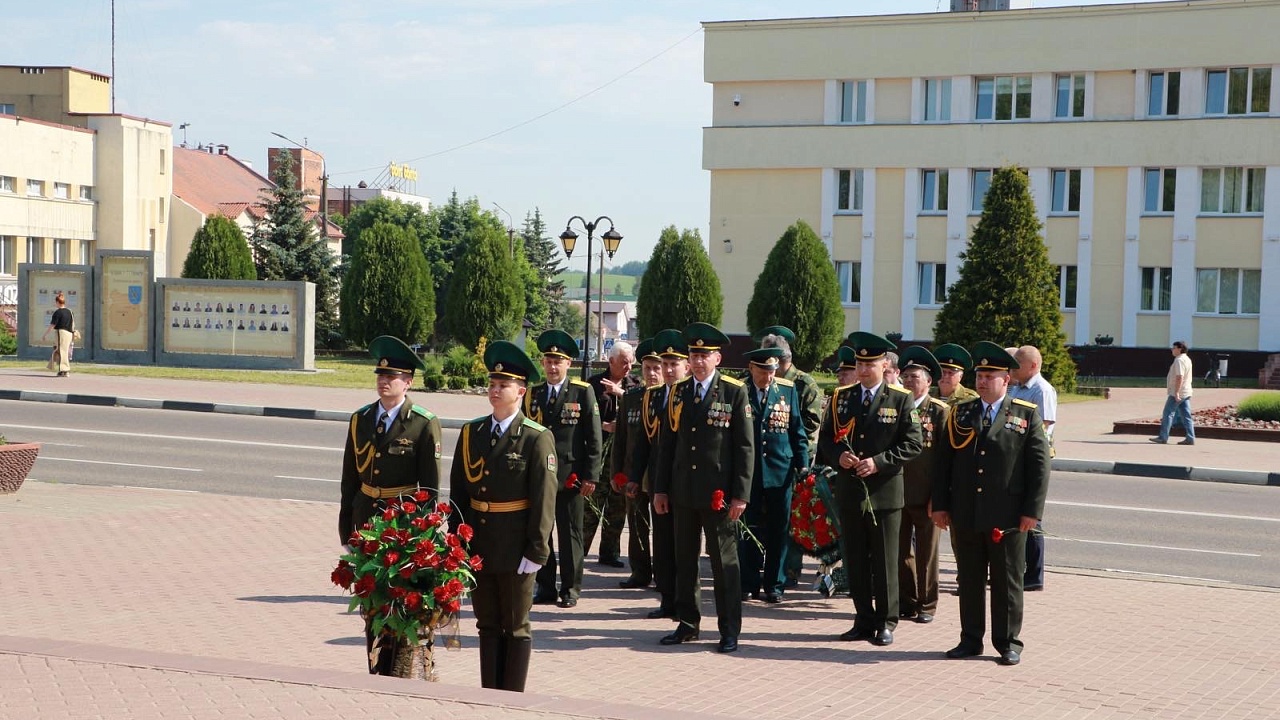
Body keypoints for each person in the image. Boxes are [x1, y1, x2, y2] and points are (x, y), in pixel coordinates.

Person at [932, 342, 1050, 666]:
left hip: (1008, 516)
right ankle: (970, 639)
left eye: (990, 376)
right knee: (968, 579)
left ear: (1006, 380)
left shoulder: (1025, 415)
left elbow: (1039, 468)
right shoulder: (961, 413)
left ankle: (1008, 642)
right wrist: (940, 505)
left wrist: (1031, 513)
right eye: (980, 375)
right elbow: (943, 464)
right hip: (966, 513)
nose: (982, 381)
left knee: (1007, 581)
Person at [449, 341, 557, 693]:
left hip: (516, 547)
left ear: (521, 391)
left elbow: (544, 499)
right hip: (479, 542)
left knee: (516, 624)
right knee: (487, 623)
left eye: (503, 385)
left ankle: (511, 700)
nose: (495, 391)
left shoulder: (535, 438)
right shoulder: (472, 433)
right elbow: (459, 494)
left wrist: (536, 550)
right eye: (492, 384)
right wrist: (456, 542)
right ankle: (488, 694)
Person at [338, 335, 443, 675]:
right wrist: (346, 528)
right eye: (381, 376)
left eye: (393, 377)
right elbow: (349, 479)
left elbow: (428, 489)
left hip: (402, 526)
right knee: (371, 598)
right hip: (367, 519)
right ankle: (375, 665)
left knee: (401, 600)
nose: (384, 382)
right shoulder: (361, 419)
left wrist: (421, 538)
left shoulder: (423, 423)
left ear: (408, 382)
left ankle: (398, 668)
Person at [652, 322, 754, 653]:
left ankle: (729, 629)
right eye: (694, 355)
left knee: (725, 564)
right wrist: (660, 489)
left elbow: (744, 448)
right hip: (683, 491)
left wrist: (740, 494)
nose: (697, 361)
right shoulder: (678, 391)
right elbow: (667, 444)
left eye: (704, 355)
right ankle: (687, 623)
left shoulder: (734, 391)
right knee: (685, 560)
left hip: (718, 495)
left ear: (718, 358)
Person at [818, 332, 922, 647]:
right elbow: (825, 440)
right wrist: (840, 457)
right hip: (850, 492)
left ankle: (885, 622)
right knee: (857, 561)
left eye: (870, 364)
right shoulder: (842, 397)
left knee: (885, 561)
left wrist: (879, 462)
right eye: (860, 363)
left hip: (885, 494)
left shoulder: (900, 398)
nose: (863, 370)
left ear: (884, 364)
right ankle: (862, 619)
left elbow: (913, 443)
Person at [525, 330, 602, 608]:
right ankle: (545, 587)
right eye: (548, 360)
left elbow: (594, 437)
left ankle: (570, 589)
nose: (553, 366)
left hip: (571, 476)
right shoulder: (533, 394)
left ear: (568, 363)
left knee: (570, 536)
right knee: (541, 533)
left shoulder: (582, 392)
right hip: (540, 478)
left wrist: (591, 475)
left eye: (559, 361)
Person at [739, 346, 808, 603]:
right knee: (749, 528)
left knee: (779, 530)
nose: (767, 376)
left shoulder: (787, 391)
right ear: (751, 368)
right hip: (750, 472)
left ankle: (774, 584)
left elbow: (797, 430)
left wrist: (803, 464)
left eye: (771, 371)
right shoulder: (740, 391)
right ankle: (749, 582)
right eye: (762, 371)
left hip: (781, 470)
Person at [630, 329, 690, 619]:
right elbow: (642, 442)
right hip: (658, 480)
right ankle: (667, 600)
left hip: (687, 481)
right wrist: (633, 477)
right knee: (662, 543)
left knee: (685, 547)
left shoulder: (692, 393)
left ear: (685, 366)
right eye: (664, 364)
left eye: (673, 364)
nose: (667, 370)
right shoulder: (652, 397)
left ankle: (685, 603)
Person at [757, 326, 822, 590]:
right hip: (766, 463)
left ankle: (789, 572)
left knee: (790, 521)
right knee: (764, 521)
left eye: (772, 362)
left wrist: (798, 459)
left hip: (792, 462)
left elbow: (809, 424)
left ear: (783, 361)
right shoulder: (760, 381)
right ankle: (765, 569)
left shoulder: (803, 383)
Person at [896, 346, 949, 624]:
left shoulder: (939, 412)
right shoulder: (895, 406)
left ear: (928, 382)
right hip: (897, 493)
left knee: (927, 554)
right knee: (900, 551)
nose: (908, 382)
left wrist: (939, 498)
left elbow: (945, 460)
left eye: (914, 377)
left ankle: (927, 604)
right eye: (905, 377)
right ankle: (906, 601)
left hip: (927, 495)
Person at [612, 339, 663, 590]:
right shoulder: (632, 398)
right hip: (634, 473)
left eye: (657, 368)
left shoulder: (671, 397)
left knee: (664, 528)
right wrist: (616, 472)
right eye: (647, 368)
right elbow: (620, 439)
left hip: (661, 475)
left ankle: (664, 574)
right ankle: (640, 571)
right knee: (637, 526)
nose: (652, 373)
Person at [584, 341, 639, 568]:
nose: (628, 367)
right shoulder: (594, 384)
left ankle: (609, 552)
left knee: (617, 507)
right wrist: (604, 427)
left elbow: (641, 406)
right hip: (600, 453)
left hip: (623, 456)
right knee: (591, 506)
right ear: (612, 361)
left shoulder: (634, 385)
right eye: (624, 362)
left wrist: (621, 393)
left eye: (631, 363)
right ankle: (580, 549)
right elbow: (585, 416)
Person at [1009, 345, 1057, 592]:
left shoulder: (1042, 390)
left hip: (1031, 460)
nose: (1015, 366)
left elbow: (1044, 427)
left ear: (1034, 366)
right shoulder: (1016, 386)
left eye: (1019, 362)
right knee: (1014, 518)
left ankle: (1035, 574)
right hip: (1014, 461)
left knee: (1032, 518)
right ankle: (1016, 568)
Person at [1151, 341, 1195, 446]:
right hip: (1186, 391)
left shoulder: (1179, 360)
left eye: (1174, 348)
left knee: (1168, 413)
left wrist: (1176, 393)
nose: (1172, 349)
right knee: (1186, 415)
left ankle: (1163, 437)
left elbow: (1179, 376)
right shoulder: (1187, 359)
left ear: (1180, 349)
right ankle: (1190, 438)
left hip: (1178, 392)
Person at [41, 291, 75, 377]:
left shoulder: (58, 312)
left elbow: (52, 325)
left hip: (61, 333)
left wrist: (45, 334)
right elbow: (73, 323)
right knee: (62, 351)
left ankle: (64, 370)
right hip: (69, 333)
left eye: (55, 302)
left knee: (61, 351)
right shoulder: (70, 311)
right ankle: (61, 370)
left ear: (57, 302)